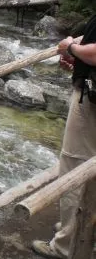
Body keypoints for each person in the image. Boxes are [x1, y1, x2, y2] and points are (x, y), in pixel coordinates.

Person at [31, 15, 96, 259]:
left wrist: (70, 48)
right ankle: (80, 227)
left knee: (75, 167)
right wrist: (78, 52)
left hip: (91, 104)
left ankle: (67, 245)